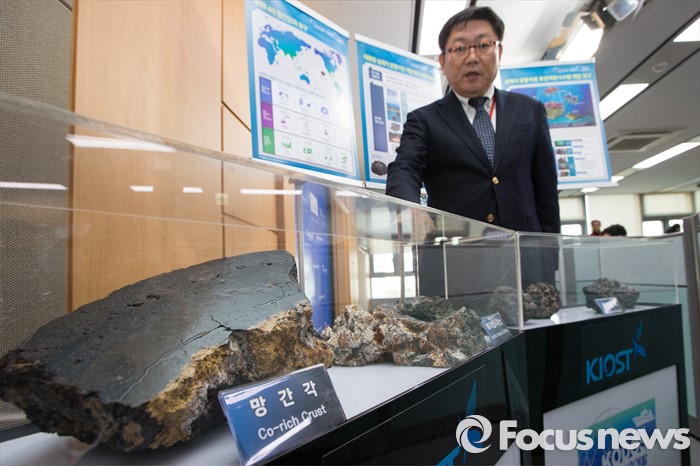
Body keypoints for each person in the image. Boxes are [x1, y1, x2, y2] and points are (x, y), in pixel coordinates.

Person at [385, 6, 560, 293]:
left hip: (527, 266)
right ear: (443, 61)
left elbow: (546, 192)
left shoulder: (530, 111)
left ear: (498, 51)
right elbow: (405, 167)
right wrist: (408, 207)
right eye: (459, 48)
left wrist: (551, 260)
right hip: (457, 269)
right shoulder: (424, 120)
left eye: (483, 45)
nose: (472, 57)